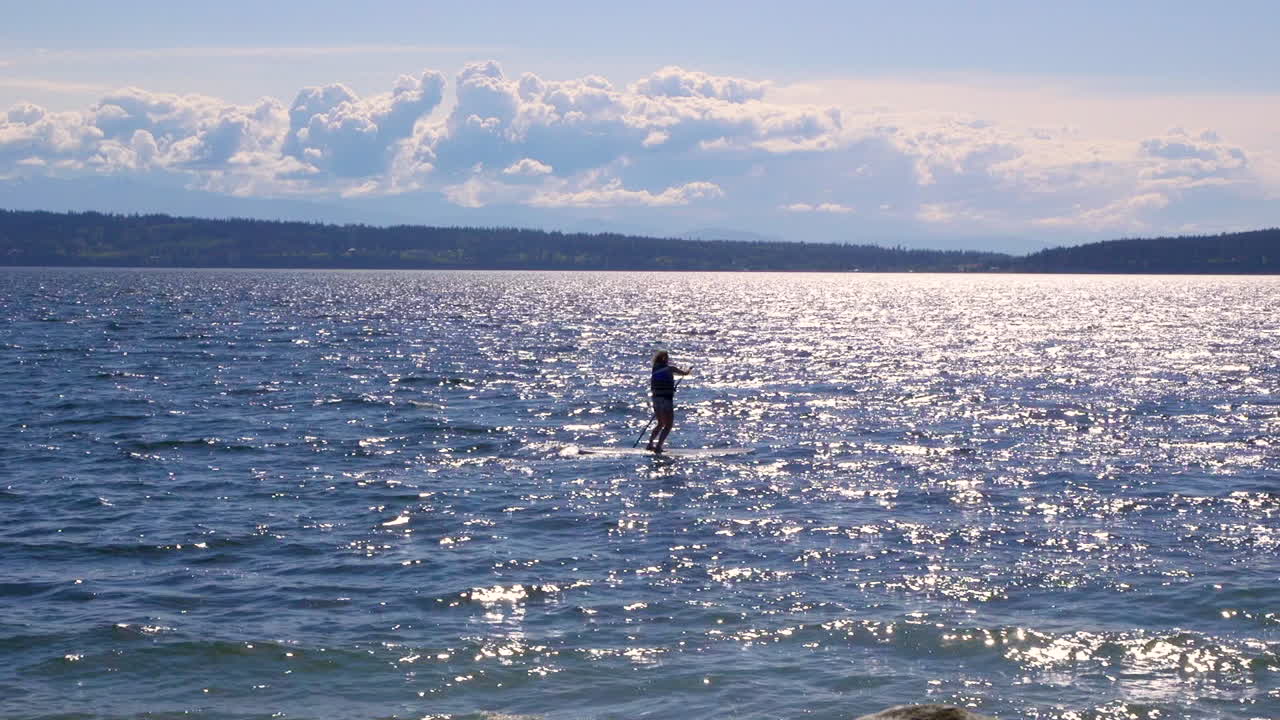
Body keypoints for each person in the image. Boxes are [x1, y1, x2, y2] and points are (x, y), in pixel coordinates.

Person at [647, 350, 690, 453]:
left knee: (660, 423)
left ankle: (650, 443)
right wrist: (689, 369)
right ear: (665, 359)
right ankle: (658, 446)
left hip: (656, 399)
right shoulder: (670, 369)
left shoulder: (655, 369)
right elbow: (685, 373)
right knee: (668, 424)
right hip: (666, 399)